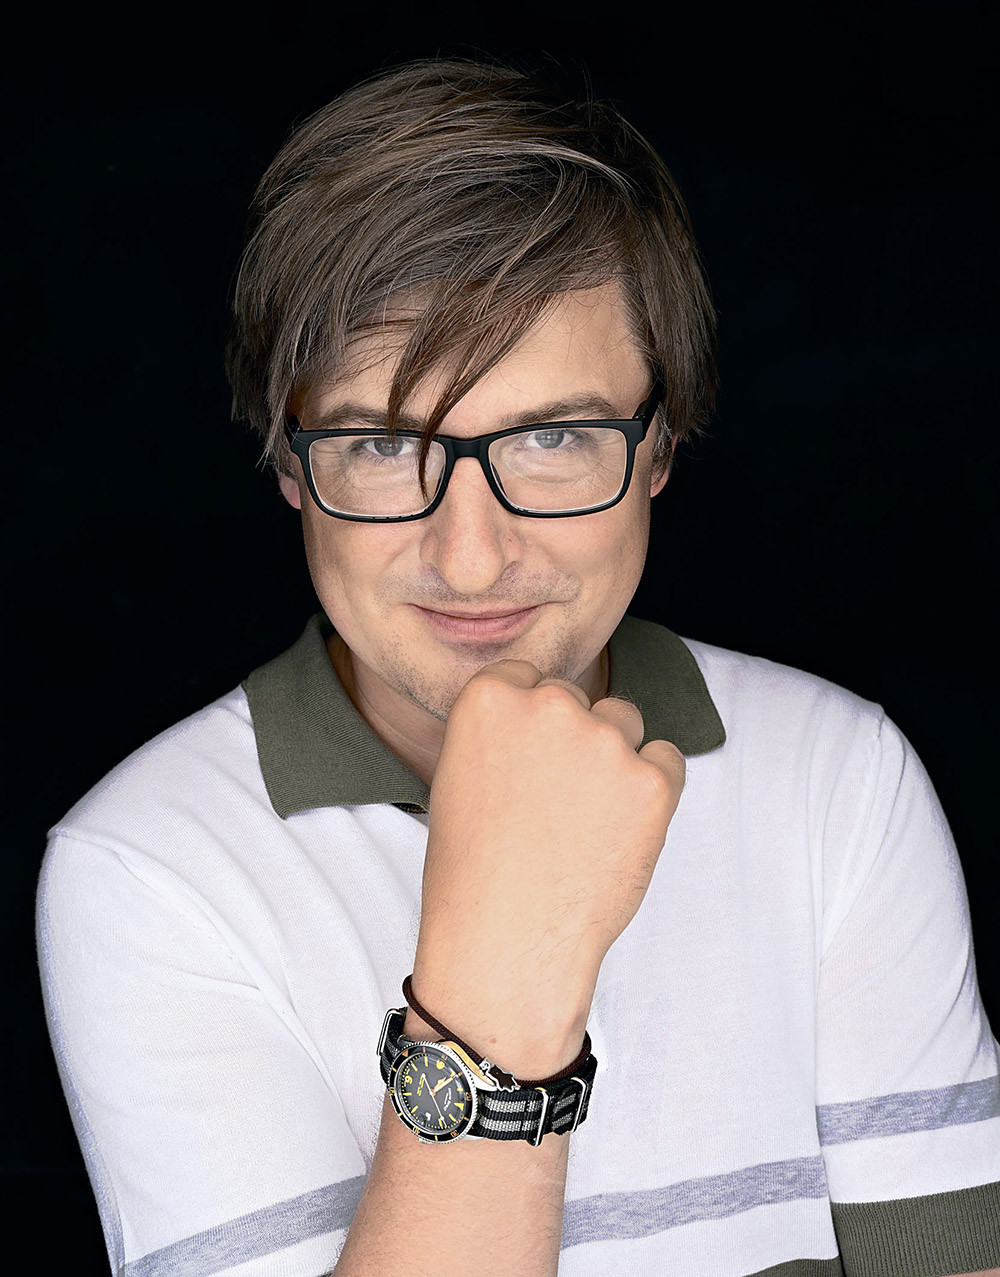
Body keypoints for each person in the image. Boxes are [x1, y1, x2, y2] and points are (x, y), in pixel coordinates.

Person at [36, 57, 1000, 1277]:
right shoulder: (148, 868)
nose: (472, 554)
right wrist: (497, 984)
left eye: (552, 435)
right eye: (382, 444)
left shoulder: (836, 777)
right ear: (289, 466)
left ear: (660, 446)